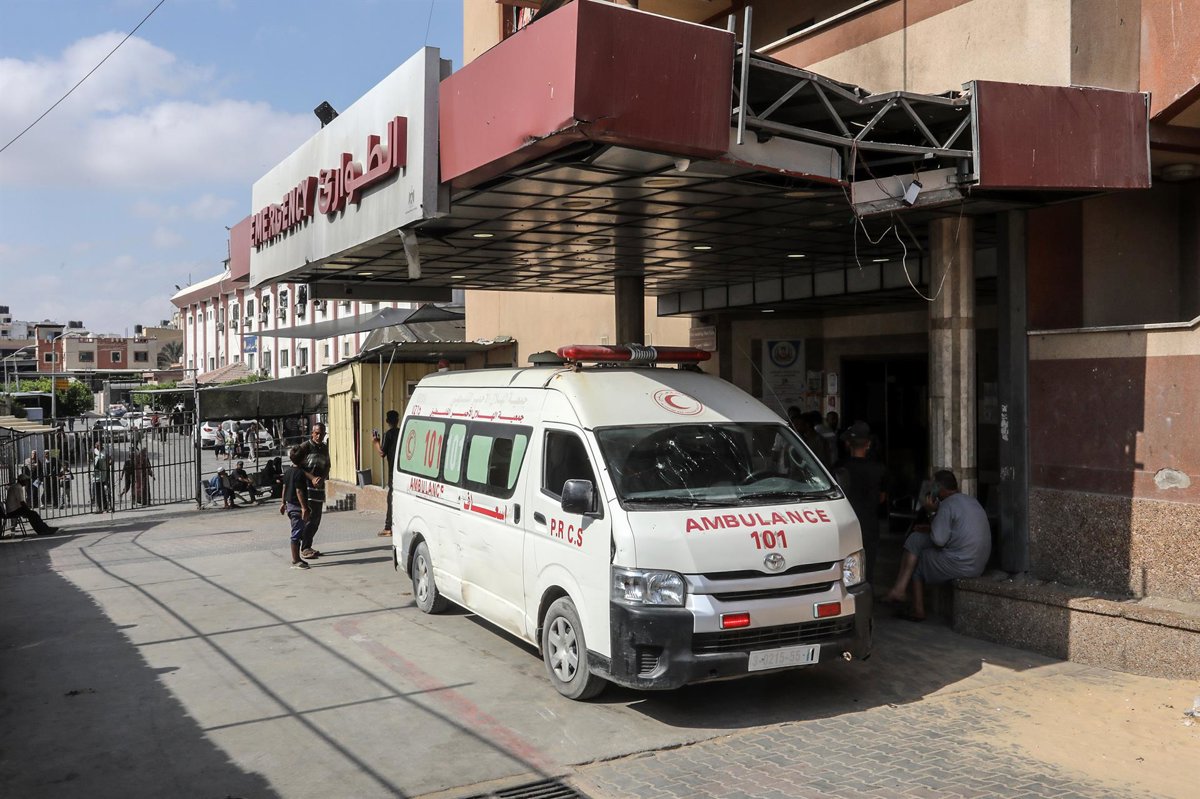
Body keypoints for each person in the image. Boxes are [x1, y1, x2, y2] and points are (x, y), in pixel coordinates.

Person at [883, 469, 991, 621]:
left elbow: (939, 541)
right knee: (915, 538)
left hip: (962, 564)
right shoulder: (970, 500)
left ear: (939, 487)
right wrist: (929, 527)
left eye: (933, 486)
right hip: (978, 563)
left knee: (919, 561)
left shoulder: (947, 505)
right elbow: (950, 531)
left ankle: (918, 610)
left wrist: (931, 512)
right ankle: (899, 589)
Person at [834, 421, 887, 584]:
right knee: (867, 568)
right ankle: (867, 593)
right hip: (869, 524)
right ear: (868, 444)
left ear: (848, 444)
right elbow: (882, 498)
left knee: (844, 568)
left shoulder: (839, 468)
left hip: (845, 524)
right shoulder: (879, 469)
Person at [295, 422, 329, 559]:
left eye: (322, 433)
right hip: (307, 487)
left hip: (319, 489)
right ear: (312, 433)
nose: (319, 436)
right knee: (308, 517)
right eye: (316, 433)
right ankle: (304, 547)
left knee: (316, 518)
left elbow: (327, 466)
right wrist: (312, 478)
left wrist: (322, 478)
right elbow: (297, 466)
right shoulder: (305, 447)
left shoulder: (324, 448)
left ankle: (308, 544)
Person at [282, 446, 312, 569]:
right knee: (297, 533)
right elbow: (299, 491)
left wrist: (282, 503)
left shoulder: (288, 471)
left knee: (299, 531)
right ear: (303, 458)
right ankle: (295, 560)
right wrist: (304, 508)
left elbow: (284, 487)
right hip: (296, 507)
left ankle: (297, 558)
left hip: (289, 505)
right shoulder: (299, 473)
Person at [372, 409, 401, 537]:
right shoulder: (401, 432)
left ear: (387, 421)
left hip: (392, 473)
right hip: (401, 470)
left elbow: (382, 453)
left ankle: (388, 527)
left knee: (390, 499)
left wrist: (376, 442)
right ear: (398, 420)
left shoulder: (388, 434)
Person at [92, 443, 113, 513]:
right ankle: (100, 507)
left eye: (99, 445)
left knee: (105, 490)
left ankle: (106, 506)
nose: (98, 446)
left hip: (103, 473)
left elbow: (109, 460)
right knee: (97, 491)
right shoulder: (94, 451)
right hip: (95, 473)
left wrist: (108, 464)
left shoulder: (105, 452)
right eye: (96, 445)